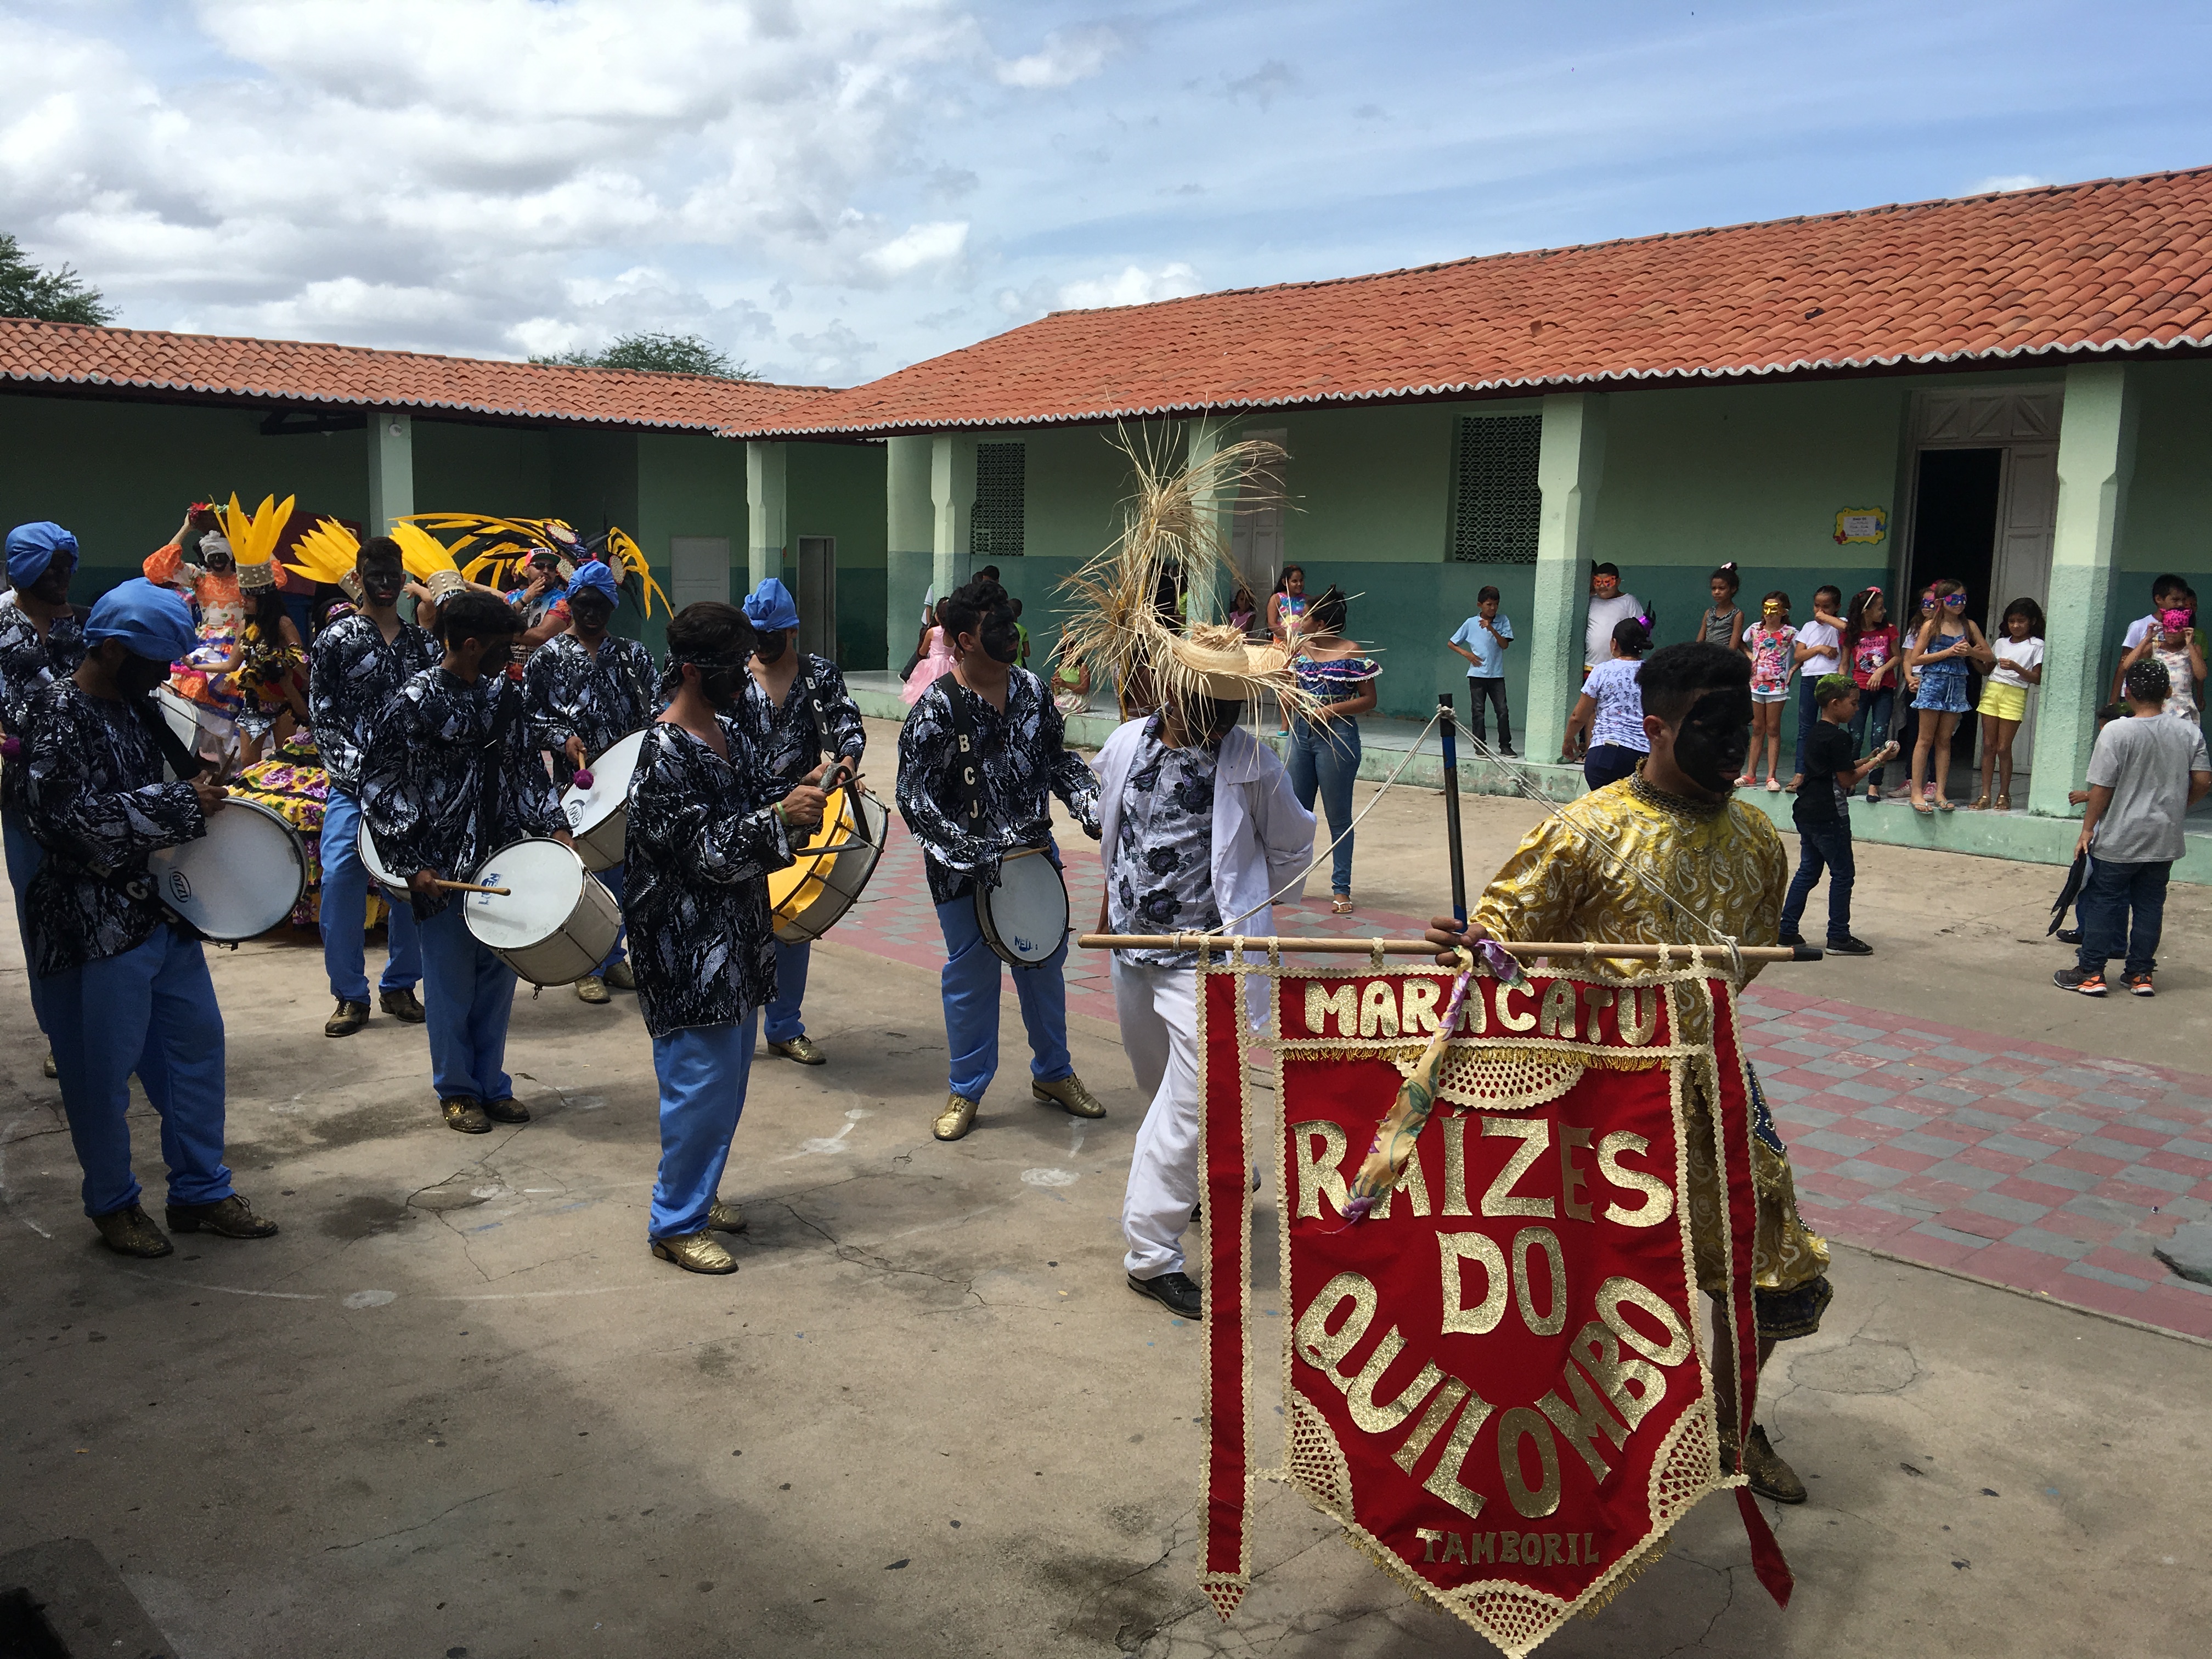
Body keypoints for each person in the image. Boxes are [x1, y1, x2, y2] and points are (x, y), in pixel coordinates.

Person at [1426, 641, 1833, 1505]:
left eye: (1746, 729)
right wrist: (1476, 945)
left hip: (1715, 1079)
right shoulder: (1585, 829)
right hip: (1599, 1093)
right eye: (1714, 728)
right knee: (1592, 1276)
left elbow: (1749, 956)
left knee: (1759, 1260)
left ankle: (1732, 1427)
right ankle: (1594, 1430)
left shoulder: (1759, 838)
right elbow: (1505, 940)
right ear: (1656, 727)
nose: (1735, 748)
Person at [21, 579, 280, 1258]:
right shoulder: (56, 711)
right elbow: (59, 818)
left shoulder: (142, 706)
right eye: (152, 661)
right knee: (99, 1072)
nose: (164, 674)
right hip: (91, 923)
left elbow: (167, 790)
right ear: (110, 650)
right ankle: (113, 1203)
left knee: (195, 1053)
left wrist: (203, 787)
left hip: (163, 913)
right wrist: (179, 804)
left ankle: (200, 1190)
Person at [1096, 627, 1315, 1319]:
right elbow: (1114, 830)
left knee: (1188, 1105)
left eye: (1227, 709)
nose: (1217, 722)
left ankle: (1151, 1254)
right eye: (1206, 706)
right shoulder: (1126, 744)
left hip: (1209, 962)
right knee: (1158, 1087)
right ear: (1174, 692)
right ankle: (1215, 1167)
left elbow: (1294, 846)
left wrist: (1250, 902)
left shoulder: (1251, 762)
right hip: (1132, 951)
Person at [627, 601, 827, 1274]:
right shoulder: (662, 752)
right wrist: (778, 819)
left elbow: (756, 798)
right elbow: (702, 850)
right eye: (731, 665)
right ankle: (674, 1224)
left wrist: (805, 788)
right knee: (698, 1087)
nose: (744, 676)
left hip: (736, 940)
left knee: (725, 1087)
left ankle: (698, 1193)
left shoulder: (729, 732)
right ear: (691, 670)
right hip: (685, 950)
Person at [894, 577, 1106, 1143]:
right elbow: (913, 797)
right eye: (996, 625)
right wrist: (968, 852)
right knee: (971, 978)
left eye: (1011, 621)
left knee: (1044, 969)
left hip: (1033, 857)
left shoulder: (1033, 690)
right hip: (963, 869)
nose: (1011, 633)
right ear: (964, 640)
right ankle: (966, 1089)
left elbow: (1056, 760)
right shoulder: (936, 709)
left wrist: (1091, 802)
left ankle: (1054, 1074)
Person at [358, 591, 572, 1133]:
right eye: (505, 648)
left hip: (503, 862)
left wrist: (554, 826)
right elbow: (382, 785)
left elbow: (526, 768)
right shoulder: (414, 701)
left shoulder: (504, 697)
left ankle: (492, 1084)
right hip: (442, 872)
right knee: (450, 988)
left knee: (496, 984)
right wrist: (412, 862)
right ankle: (456, 1090)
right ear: (472, 645)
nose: (512, 658)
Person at [306, 537, 440, 1037]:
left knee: (411, 884)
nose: (384, 585)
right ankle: (349, 994)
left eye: (392, 576)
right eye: (374, 575)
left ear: (403, 581)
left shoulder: (425, 645)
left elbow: (438, 710)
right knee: (341, 876)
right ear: (359, 578)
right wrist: (362, 774)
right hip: (352, 785)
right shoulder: (336, 639)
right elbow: (323, 714)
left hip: (412, 787)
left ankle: (400, 985)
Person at [737, 576, 866, 1066]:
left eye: (771, 638)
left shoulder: (819, 675)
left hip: (802, 816)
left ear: (792, 631)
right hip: (746, 817)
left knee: (791, 920)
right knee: (740, 921)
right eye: (755, 637)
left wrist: (845, 763)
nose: (761, 647)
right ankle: (735, 1029)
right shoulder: (732, 675)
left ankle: (785, 1027)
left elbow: (848, 724)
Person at [523, 558, 659, 1006]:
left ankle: (612, 955)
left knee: (625, 872)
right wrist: (561, 737)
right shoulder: (548, 658)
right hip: (578, 787)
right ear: (570, 603)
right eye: (583, 603)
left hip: (628, 786)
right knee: (588, 873)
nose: (592, 612)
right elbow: (530, 718)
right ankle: (586, 966)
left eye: (601, 604)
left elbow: (655, 712)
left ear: (612, 606)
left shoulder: (633, 656)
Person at [2054, 657, 2210, 997]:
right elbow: (2203, 781)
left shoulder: (2117, 731)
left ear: (2128, 693)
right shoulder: (2188, 731)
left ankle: (2091, 972)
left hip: (2120, 838)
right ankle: (2140, 974)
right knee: (2150, 905)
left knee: (2104, 901)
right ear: (2168, 692)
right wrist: (2179, 807)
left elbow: (2102, 788)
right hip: (2164, 838)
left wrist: (2087, 829)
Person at [0, 521, 87, 1067]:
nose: (61, 577)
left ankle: (105, 1026)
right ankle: (62, 1035)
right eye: (50, 568)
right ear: (22, 572)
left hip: (91, 791)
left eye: (65, 566)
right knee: (41, 915)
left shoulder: (84, 627)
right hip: (24, 798)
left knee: (94, 909)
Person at [1779, 674, 1895, 956]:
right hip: (1829, 814)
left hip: (1806, 811)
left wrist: (1869, 758)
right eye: (1853, 703)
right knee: (1843, 874)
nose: (1857, 709)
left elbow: (1838, 767)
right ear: (1834, 703)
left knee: (1808, 871)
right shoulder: (1839, 737)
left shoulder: (1815, 733)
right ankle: (1839, 936)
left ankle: (1786, 930)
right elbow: (1847, 779)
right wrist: (1879, 761)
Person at [1286, 585, 1379, 915]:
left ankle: (1341, 888)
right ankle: (1288, 884)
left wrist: (1332, 710)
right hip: (1300, 734)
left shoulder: (1352, 653)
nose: (1299, 622)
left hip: (1337, 737)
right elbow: (1289, 690)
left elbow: (1369, 699)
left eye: (1306, 617)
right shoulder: (1299, 650)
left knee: (1338, 816)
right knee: (1296, 813)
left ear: (1321, 623)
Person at [145, 518, 246, 766]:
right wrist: (186, 528)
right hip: (205, 644)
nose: (217, 561)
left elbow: (276, 577)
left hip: (239, 644)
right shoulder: (199, 578)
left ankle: (234, 760)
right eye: (212, 557)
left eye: (221, 555)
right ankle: (195, 756)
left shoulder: (245, 579)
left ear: (231, 556)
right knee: (186, 687)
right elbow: (158, 567)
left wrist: (249, 533)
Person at [1905, 580, 1987, 814]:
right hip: (1933, 683)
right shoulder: (1931, 625)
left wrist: (1971, 652)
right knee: (1925, 739)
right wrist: (1948, 652)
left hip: (1956, 684)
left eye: (1963, 599)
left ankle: (1940, 791)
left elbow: (1989, 655)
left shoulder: (1969, 625)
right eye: (1954, 599)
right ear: (1941, 602)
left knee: (1944, 740)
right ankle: (1917, 791)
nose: (1959, 604)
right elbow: (1915, 658)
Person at [230, 555, 309, 768]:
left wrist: (282, 664)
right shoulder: (244, 626)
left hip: (284, 698)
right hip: (255, 699)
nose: (243, 602)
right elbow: (231, 665)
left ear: (263, 600)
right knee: (248, 762)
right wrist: (193, 666)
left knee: (285, 759)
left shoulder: (283, 624)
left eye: (249, 598)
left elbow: (302, 661)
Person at [1974, 599, 2046, 810]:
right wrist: (1971, 655)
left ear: (2032, 622)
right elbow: (1987, 670)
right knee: (1989, 746)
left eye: (2021, 621)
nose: (2016, 625)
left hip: (2015, 694)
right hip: (1993, 690)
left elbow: (2037, 678)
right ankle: (1985, 795)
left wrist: (2016, 667)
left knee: (2004, 747)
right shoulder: (2001, 643)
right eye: (2012, 621)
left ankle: (2004, 795)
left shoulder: (2037, 645)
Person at [1563, 616, 1651, 788]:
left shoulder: (1602, 671)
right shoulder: (1653, 672)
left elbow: (1578, 717)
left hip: (1605, 753)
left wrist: (1568, 739)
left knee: (1603, 803)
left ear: (1614, 644)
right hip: (1644, 757)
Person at [1842, 586, 1900, 803]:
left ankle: (1874, 784)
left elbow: (1897, 657)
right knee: (1855, 736)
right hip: (1859, 690)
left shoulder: (1889, 630)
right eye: (1879, 608)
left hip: (1884, 689)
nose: (1883, 612)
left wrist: (1880, 671)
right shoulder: (1852, 633)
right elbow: (1844, 664)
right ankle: (1851, 779)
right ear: (1865, 611)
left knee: (1879, 736)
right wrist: (1842, 687)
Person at [1785, 585, 1844, 792]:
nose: (1820, 611)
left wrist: (1827, 618)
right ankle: (1801, 772)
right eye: (1817, 606)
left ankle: (1830, 773)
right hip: (1809, 679)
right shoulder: (1809, 627)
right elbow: (1799, 655)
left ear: (1837, 607)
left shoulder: (1840, 624)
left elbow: (1847, 629)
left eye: (1826, 607)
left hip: (1831, 679)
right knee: (1805, 728)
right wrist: (1820, 648)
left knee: (1830, 728)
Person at [2118, 596, 2204, 730]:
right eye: (2167, 627)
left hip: (2184, 709)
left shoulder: (2192, 650)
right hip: (2157, 708)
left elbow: (2201, 675)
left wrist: (2190, 644)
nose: (2171, 633)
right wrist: (2147, 639)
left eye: (2177, 628)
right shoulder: (2155, 647)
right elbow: (2127, 665)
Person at [1447, 585, 1514, 755]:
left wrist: (1491, 628)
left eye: (1496, 604)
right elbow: (1452, 643)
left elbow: (1504, 645)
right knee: (1478, 711)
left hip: (1496, 675)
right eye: (1489, 605)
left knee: (1502, 711)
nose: (1493, 608)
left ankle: (1505, 745)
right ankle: (1480, 745)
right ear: (1480, 605)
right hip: (1477, 675)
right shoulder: (1471, 623)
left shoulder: (1503, 620)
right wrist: (1467, 654)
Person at [1740, 591, 1796, 791]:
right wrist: (1750, 655)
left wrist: (1793, 669)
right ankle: (1750, 774)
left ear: (1784, 611)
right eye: (1767, 609)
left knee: (1772, 728)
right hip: (1756, 684)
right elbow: (1740, 640)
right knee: (1757, 727)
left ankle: (1772, 776)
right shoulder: (1755, 629)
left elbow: (1802, 652)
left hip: (1777, 686)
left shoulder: (1790, 633)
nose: (1770, 614)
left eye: (1775, 609)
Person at [2112, 574, 2191, 703]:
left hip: (2166, 699)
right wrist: (2113, 702)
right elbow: (2123, 666)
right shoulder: (2140, 626)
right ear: (2159, 599)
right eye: (2175, 600)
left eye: (2183, 600)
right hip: (2135, 696)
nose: (2181, 604)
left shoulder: (2184, 627)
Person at [1582, 562, 1644, 679]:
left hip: (1619, 667)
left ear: (1618, 582)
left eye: (1607, 582)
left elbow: (1641, 629)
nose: (1602, 586)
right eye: (1597, 582)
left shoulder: (1628, 602)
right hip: (1591, 666)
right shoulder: (1590, 602)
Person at [901, 604, 955, 706]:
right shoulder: (954, 633)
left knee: (927, 691)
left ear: (938, 616)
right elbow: (958, 656)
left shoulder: (933, 632)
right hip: (950, 666)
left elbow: (922, 651)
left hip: (934, 666)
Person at [1694, 563, 1743, 649]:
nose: (1717, 592)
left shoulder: (1737, 615)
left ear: (1733, 589)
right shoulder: (1709, 613)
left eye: (1722, 588)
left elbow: (1733, 647)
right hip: (1706, 654)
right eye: (1714, 588)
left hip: (1724, 656)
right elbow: (1700, 641)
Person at [1265, 565, 1308, 645]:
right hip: (1282, 644)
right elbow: (1272, 624)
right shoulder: (1277, 599)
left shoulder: (1307, 600)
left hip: (1302, 644)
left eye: (1301, 580)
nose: (1299, 584)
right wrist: (1291, 640)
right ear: (1285, 582)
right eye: (1295, 581)